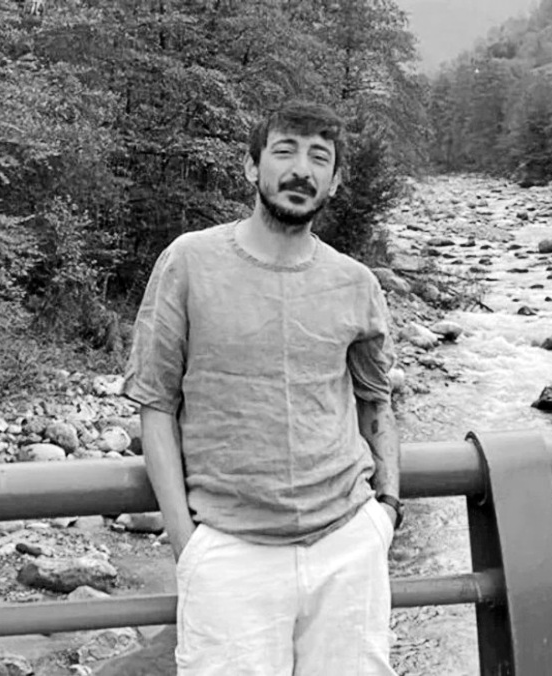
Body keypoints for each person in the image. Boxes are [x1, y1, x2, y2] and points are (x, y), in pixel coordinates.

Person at [123, 100, 402, 676]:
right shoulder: (189, 262)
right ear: (252, 167)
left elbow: (376, 399)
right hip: (230, 553)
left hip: (348, 548)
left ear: (335, 180)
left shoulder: (355, 282)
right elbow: (155, 402)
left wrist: (387, 513)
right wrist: (187, 545)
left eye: (319, 158)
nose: (301, 170)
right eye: (285, 151)